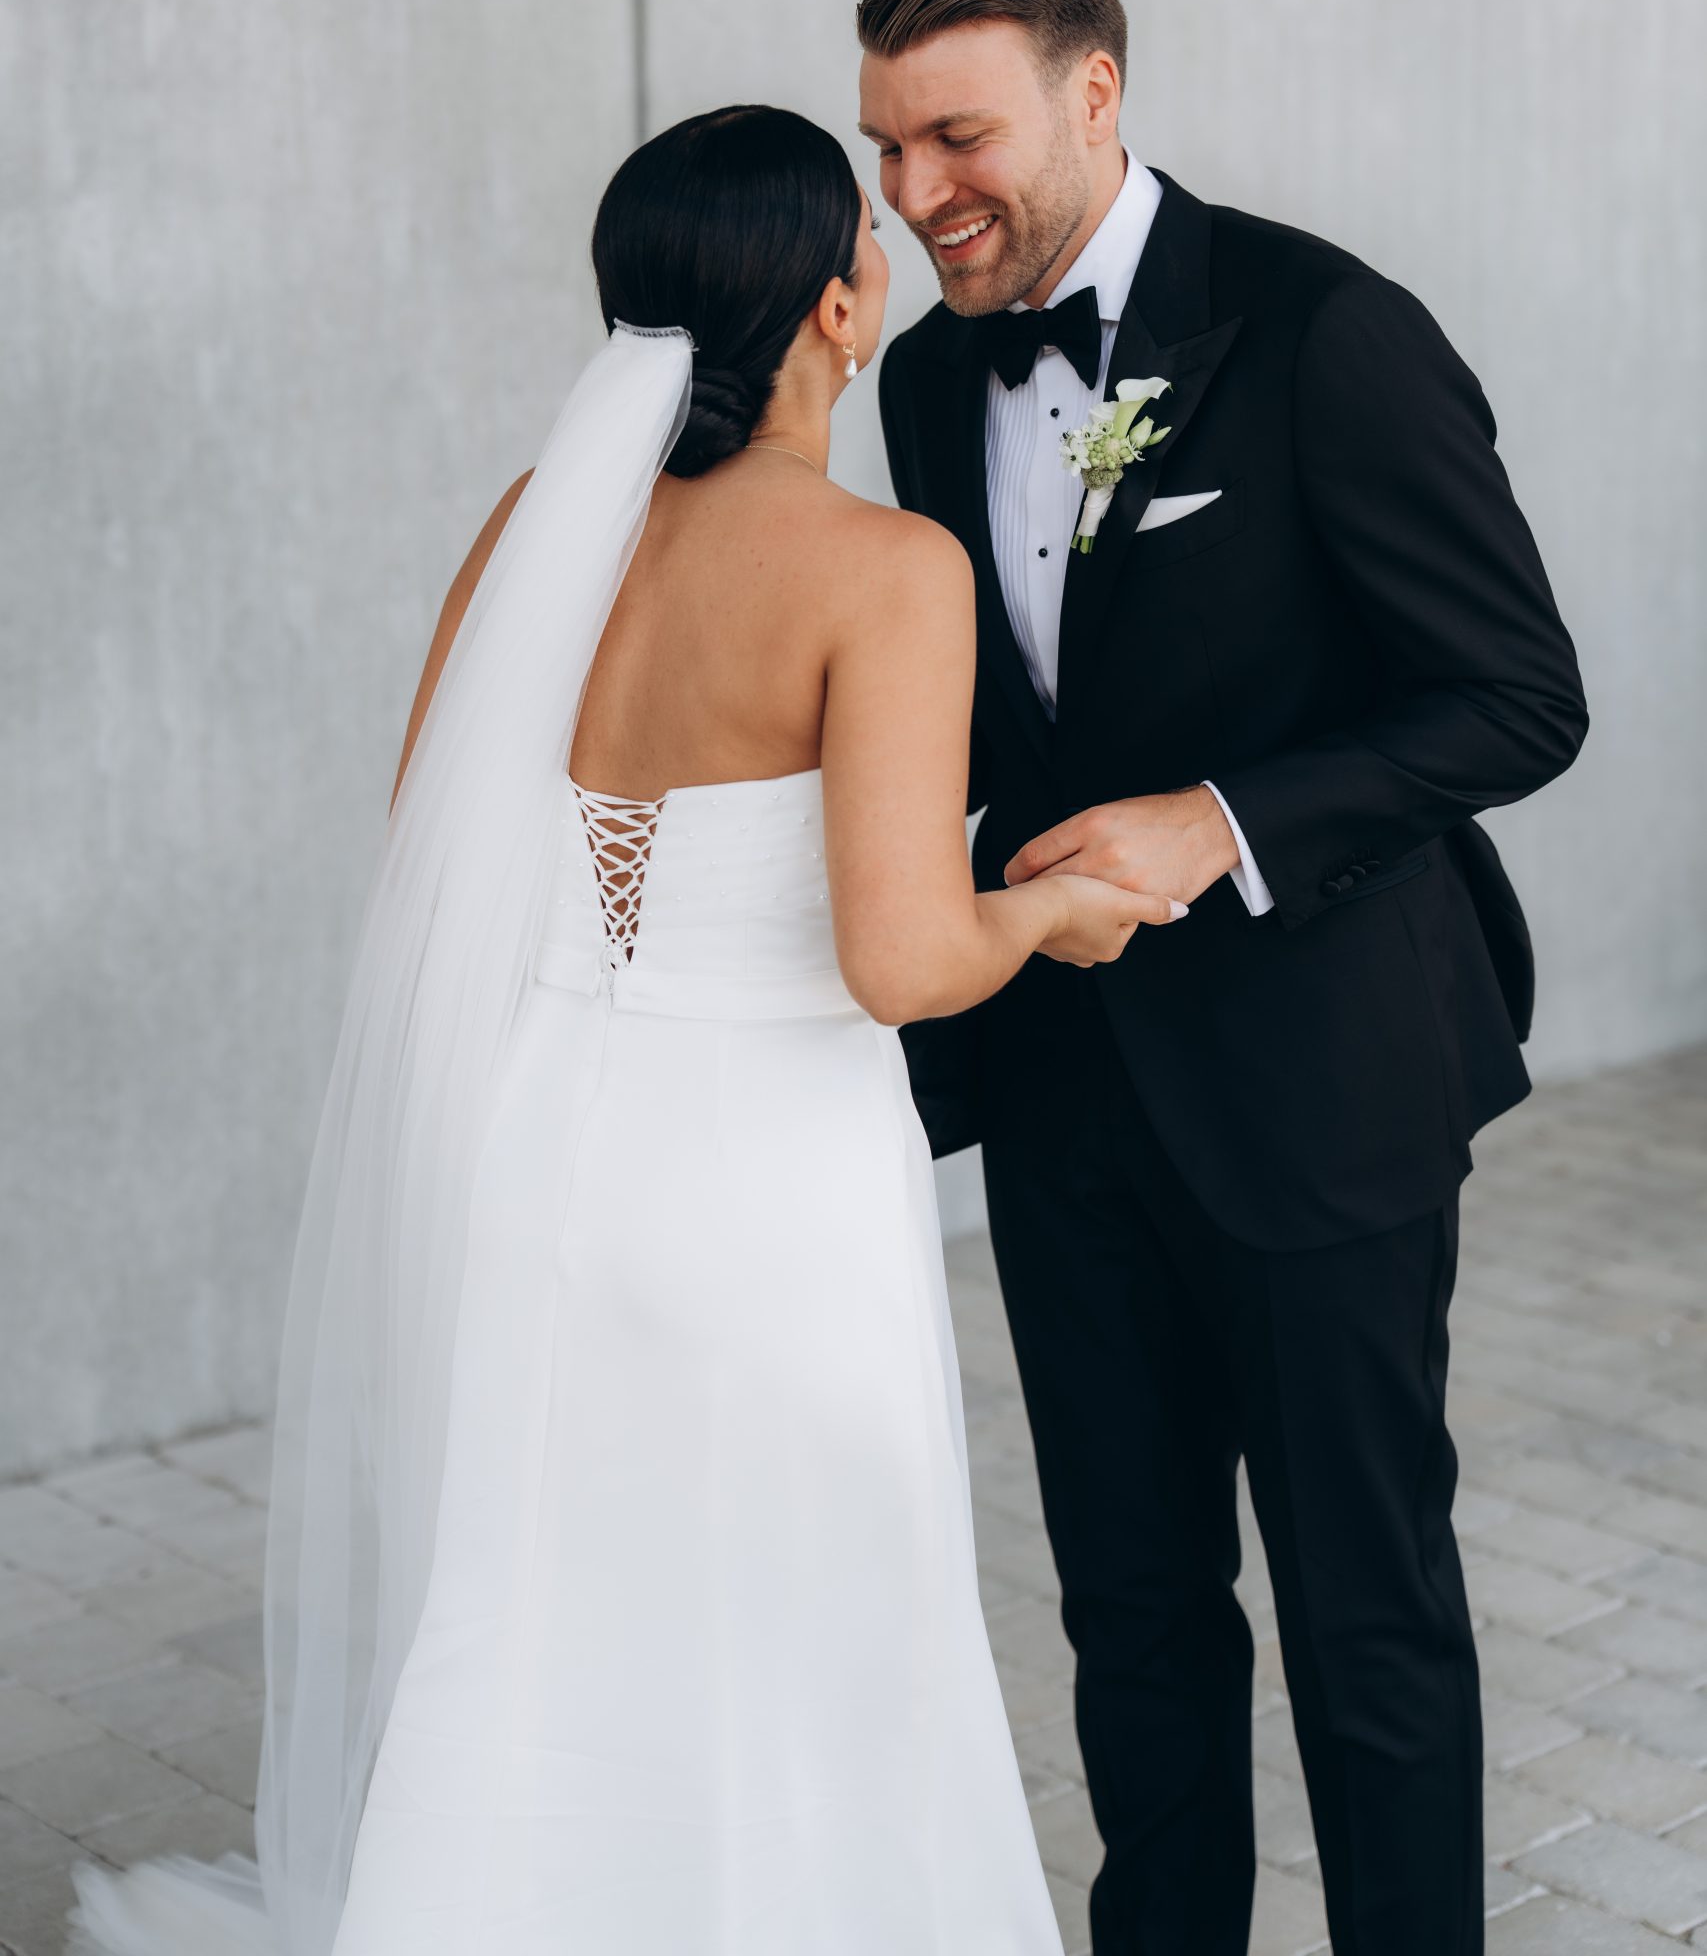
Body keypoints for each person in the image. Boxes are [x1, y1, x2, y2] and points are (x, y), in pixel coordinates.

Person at [70, 104, 1179, 1956]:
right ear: (836, 308)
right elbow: (904, 960)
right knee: (812, 1591)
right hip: (768, 1173)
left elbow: (437, 848)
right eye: (866, 239)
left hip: (545, 1142)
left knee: (543, 1587)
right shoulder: (886, 570)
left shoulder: (540, 525)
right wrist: (1057, 913)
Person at [864, 0, 1589, 1956]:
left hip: (1319, 1083)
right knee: (1129, 1610)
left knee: (1366, 1613)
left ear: (1093, 93)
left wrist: (1224, 824)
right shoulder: (925, 379)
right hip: (1060, 1090)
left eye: (956, 136)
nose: (915, 193)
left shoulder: (1321, 328)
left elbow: (1515, 698)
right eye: (886, 148)